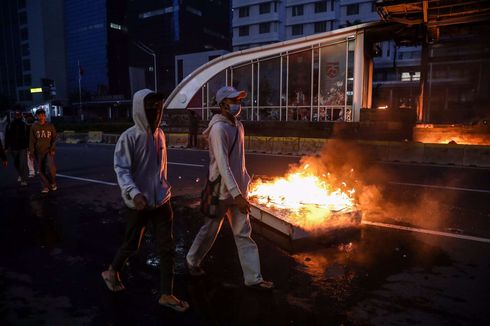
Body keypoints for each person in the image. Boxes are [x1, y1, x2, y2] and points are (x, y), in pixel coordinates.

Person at [101, 89, 189, 312]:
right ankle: (112, 270)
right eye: (150, 108)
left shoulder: (160, 134)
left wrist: (163, 187)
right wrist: (134, 193)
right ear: (140, 109)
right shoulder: (129, 137)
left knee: (167, 247)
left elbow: (160, 168)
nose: (156, 113)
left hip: (161, 201)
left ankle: (166, 294)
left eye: (159, 108)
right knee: (132, 244)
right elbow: (121, 169)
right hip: (139, 203)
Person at [186, 86, 274, 290]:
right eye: (234, 100)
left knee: (243, 233)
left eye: (239, 100)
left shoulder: (238, 126)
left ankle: (254, 278)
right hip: (221, 192)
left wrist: (244, 186)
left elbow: (238, 162)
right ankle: (192, 260)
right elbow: (223, 165)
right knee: (209, 230)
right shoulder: (218, 129)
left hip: (238, 192)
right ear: (223, 104)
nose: (238, 104)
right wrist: (237, 194)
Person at [29, 109, 57, 193]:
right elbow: (32, 140)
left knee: (51, 168)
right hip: (38, 151)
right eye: (39, 115)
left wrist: (52, 148)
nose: (41, 117)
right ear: (36, 116)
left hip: (48, 151)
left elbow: (54, 138)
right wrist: (31, 152)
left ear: (45, 116)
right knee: (41, 170)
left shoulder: (50, 125)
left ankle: (52, 182)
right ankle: (45, 186)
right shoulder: (34, 126)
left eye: (42, 115)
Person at [5, 111, 29, 186]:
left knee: (23, 163)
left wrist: (29, 147)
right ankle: (21, 174)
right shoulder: (9, 125)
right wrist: (6, 147)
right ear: (14, 116)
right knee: (16, 163)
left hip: (23, 147)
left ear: (21, 116)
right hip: (13, 147)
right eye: (16, 115)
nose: (17, 116)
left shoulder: (24, 124)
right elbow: (7, 137)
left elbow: (28, 136)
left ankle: (24, 179)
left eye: (19, 115)